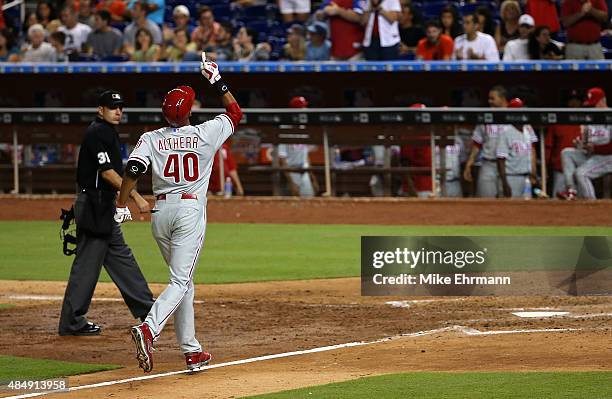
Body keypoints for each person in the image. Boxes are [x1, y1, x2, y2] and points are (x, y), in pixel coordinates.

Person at [118, 53, 243, 373]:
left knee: (184, 282)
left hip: (160, 213)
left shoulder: (151, 137)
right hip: (188, 211)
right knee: (180, 280)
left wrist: (122, 202)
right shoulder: (205, 133)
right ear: (190, 110)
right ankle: (149, 329)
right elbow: (235, 111)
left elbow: (132, 169)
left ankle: (192, 351)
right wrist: (215, 78)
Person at [58, 89, 154, 336]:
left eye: (120, 107)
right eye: (113, 107)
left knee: (121, 257)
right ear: (100, 110)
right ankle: (71, 321)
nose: (118, 111)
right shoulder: (98, 132)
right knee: (87, 265)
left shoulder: (107, 132)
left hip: (102, 205)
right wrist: (135, 196)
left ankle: (149, 309)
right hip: (93, 205)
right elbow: (108, 172)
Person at [558, 87, 611, 199]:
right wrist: (580, 144)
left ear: (603, 101)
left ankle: (591, 204)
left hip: (608, 157)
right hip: (594, 156)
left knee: (581, 173)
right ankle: (571, 191)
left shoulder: (610, 116)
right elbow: (586, 142)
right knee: (566, 153)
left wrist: (595, 149)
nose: (592, 107)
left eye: (595, 104)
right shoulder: (590, 118)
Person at [463, 86, 509, 197]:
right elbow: (477, 143)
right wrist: (469, 164)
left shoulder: (513, 117)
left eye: (492, 98)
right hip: (488, 164)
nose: (489, 101)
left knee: (509, 201)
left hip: (509, 166)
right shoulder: (485, 117)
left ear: (502, 99)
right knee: (485, 199)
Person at [496, 99, 538, 198]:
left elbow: (532, 149)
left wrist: (533, 173)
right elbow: (500, 160)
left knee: (527, 209)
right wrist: (505, 183)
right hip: (511, 177)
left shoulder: (528, 128)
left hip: (527, 177)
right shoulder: (505, 131)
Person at [278, 96, 319, 197]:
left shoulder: (303, 129)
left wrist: (313, 178)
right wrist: (291, 182)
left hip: (304, 170)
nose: (305, 110)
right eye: (302, 108)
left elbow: (306, 157)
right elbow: (281, 159)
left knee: (310, 199)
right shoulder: (284, 130)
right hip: (291, 171)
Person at [545, 90, 583, 197]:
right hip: (560, 171)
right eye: (571, 100)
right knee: (558, 203)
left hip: (581, 173)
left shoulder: (587, 122)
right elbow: (548, 147)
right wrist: (546, 169)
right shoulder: (558, 121)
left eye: (577, 100)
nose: (574, 103)